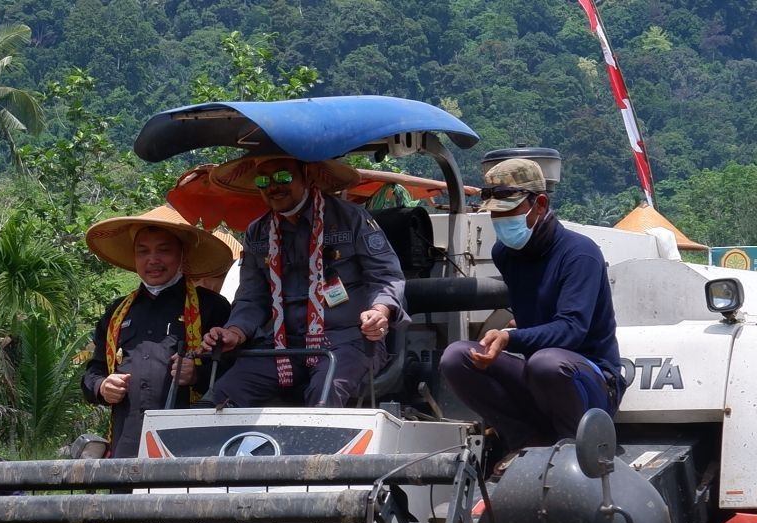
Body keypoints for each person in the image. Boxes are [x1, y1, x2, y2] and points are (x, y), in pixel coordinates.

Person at [439, 158, 623, 455]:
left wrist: (513, 337)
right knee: (456, 357)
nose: (501, 222)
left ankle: (571, 448)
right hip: (538, 377)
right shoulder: (505, 254)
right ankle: (524, 441)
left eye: (509, 212)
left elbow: (572, 330)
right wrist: (519, 330)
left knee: (546, 363)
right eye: (495, 216)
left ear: (540, 204)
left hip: (592, 383)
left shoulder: (580, 254)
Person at [198, 155, 408, 408]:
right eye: (264, 180)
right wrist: (234, 332)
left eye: (284, 177)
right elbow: (252, 297)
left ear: (307, 175)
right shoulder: (257, 232)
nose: (274, 187)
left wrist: (379, 312)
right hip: (281, 345)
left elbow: (385, 275)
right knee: (218, 398)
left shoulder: (352, 219)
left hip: (347, 342)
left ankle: (323, 449)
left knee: (324, 396)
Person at [82, 205, 234, 457]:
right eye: (143, 251)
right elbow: (93, 372)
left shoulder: (211, 307)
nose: (153, 260)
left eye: (163, 250)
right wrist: (101, 386)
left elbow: (235, 373)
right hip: (127, 443)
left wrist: (198, 374)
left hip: (192, 444)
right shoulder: (117, 312)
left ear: (182, 255)